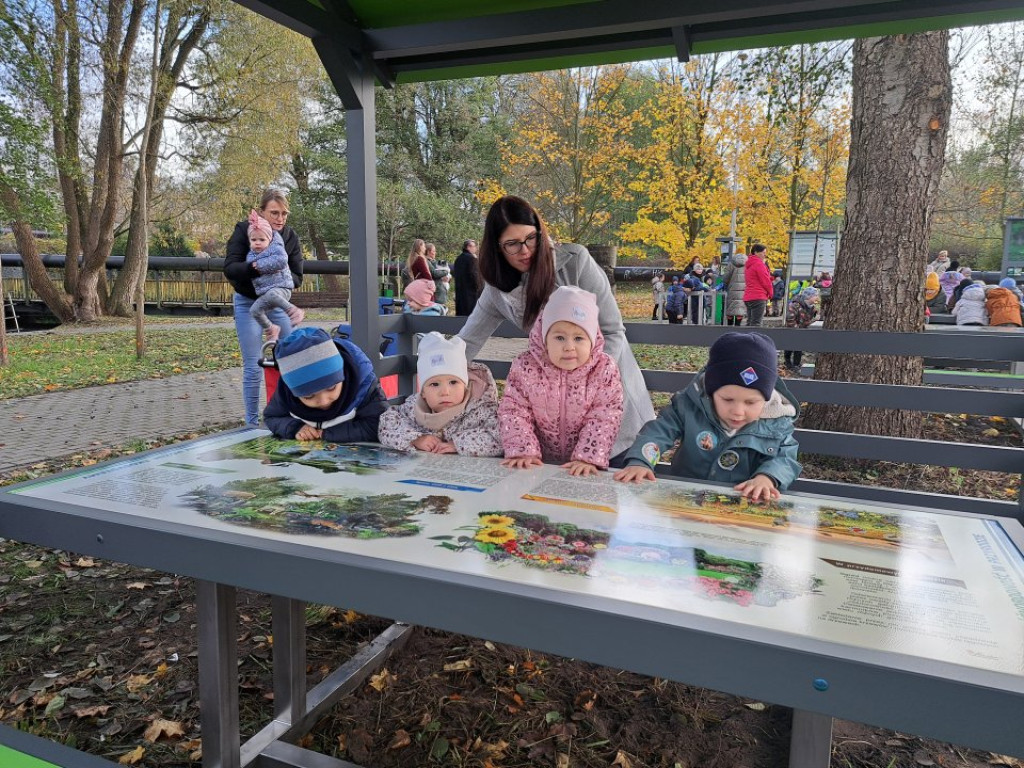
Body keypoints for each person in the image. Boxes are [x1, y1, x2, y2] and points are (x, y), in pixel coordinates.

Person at [458, 195, 655, 459]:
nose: (525, 250)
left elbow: (612, 331)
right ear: (497, 248)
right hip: (555, 419)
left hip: (606, 410)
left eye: (530, 238)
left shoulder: (575, 262)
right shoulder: (497, 289)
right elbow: (466, 343)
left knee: (610, 490)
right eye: (512, 244)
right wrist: (434, 377)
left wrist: (584, 379)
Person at [614, 332, 800, 501]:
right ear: (711, 392)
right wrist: (641, 461)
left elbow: (785, 458)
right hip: (686, 497)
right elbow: (659, 431)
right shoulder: (690, 407)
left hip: (741, 502)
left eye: (750, 403)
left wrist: (767, 477)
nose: (738, 411)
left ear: (766, 399)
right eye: (727, 399)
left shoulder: (777, 423)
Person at [498, 286, 624, 476]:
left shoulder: (603, 369)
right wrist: (523, 450)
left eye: (579, 338)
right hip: (537, 462)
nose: (569, 347)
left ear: (593, 340)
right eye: (559, 337)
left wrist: (587, 457)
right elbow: (514, 409)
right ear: (544, 339)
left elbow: (605, 415)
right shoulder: (526, 366)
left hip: (585, 465)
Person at [225, 188, 303, 426]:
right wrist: (257, 268)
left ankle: (294, 416)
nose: (280, 218)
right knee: (252, 365)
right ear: (261, 212)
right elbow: (230, 268)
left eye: (284, 214)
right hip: (248, 303)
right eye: (274, 213)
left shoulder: (289, 237)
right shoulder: (244, 230)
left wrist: (274, 276)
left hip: (277, 302)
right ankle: (250, 423)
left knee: (291, 358)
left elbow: (297, 276)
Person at [378, 333, 502, 456]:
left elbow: (501, 438)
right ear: (423, 392)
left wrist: (457, 444)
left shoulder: (481, 409)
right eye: (434, 384)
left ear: (465, 386)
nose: (445, 392)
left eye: (453, 382)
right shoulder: (413, 408)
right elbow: (386, 424)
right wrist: (416, 439)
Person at [263, 327, 387, 442]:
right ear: (293, 392)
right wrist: (295, 428)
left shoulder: (364, 387)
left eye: (331, 388)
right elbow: (272, 417)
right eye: (309, 396)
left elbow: (379, 425)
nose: (323, 401)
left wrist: (327, 434)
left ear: (342, 376)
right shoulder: (285, 392)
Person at [244, 210, 304, 342]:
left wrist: (258, 266)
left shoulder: (275, 249)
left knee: (272, 294)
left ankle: (293, 311)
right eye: (253, 240)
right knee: (254, 310)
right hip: (266, 293)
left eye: (262, 239)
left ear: (269, 239)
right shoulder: (250, 256)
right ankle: (271, 328)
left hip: (282, 288)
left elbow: (281, 261)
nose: (257, 243)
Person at [783, 287, 819, 373]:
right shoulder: (795, 305)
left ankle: (796, 364)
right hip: (793, 330)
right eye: (815, 296)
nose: (817, 297)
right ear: (809, 297)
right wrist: (796, 330)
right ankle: (787, 362)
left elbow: (808, 320)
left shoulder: (812, 307)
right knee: (789, 346)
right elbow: (790, 318)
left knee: (799, 348)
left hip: (802, 330)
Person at [742, 244, 772, 326]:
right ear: (756, 252)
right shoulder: (759, 264)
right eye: (763, 252)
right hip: (758, 296)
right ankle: (754, 339)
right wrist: (771, 293)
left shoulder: (748, 264)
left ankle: (747, 338)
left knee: (750, 322)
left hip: (748, 296)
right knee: (756, 324)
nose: (765, 254)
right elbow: (765, 281)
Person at [452, 239, 480, 316]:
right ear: (468, 247)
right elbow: (474, 276)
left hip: (460, 293)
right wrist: (479, 288)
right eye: (474, 246)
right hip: (470, 294)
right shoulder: (471, 259)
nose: (476, 248)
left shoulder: (458, 259)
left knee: (460, 317)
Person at [722, 252, 747, 326]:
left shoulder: (731, 264)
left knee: (731, 309)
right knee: (740, 309)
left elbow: (726, 278)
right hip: (743, 290)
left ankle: (729, 326)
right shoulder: (748, 264)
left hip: (732, 289)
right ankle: (738, 326)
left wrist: (726, 285)